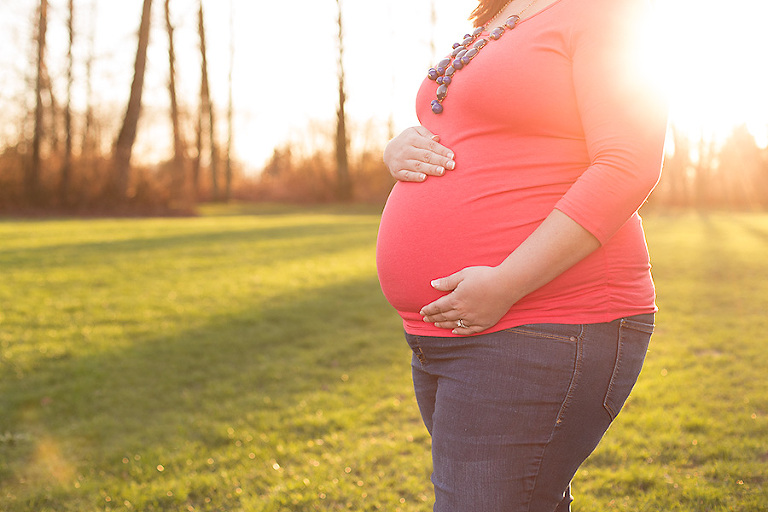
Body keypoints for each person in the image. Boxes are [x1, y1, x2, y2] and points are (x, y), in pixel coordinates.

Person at [375, 0, 668, 510]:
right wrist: (399, 148)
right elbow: (479, 127)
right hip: (448, 335)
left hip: (544, 321)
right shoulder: (505, 12)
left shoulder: (603, 13)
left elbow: (628, 163)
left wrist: (506, 282)